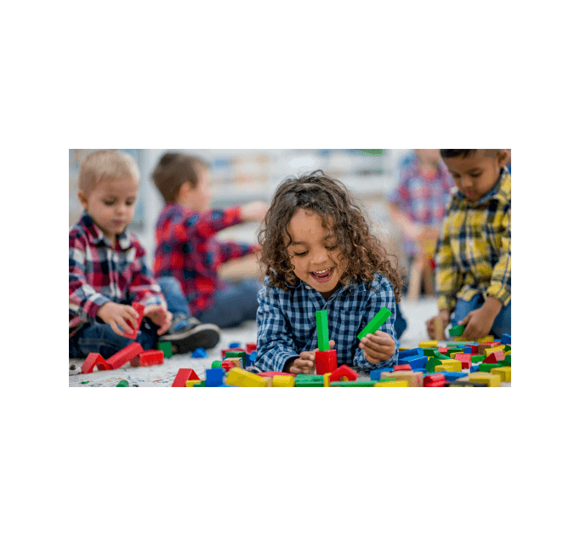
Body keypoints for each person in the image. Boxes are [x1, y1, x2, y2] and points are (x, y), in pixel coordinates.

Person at [67, 150, 220, 360]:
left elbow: (143, 283)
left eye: (129, 202)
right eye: (110, 202)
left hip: (124, 318)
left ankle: (177, 324)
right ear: (85, 200)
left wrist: (152, 306)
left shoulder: (132, 244)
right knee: (120, 340)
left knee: (167, 284)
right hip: (81, 329)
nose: (121, 210)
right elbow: (71, 285)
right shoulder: (75, 239)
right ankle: (161, 340)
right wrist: (103, 307)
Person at [255, 170, 404, 374]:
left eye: (332, 245)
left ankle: (400, 321)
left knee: (397, 326)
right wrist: (290, 363)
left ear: (350, 238)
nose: (319, 259)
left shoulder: (375, 287)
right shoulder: (276, 287)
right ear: (283, 253)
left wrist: (380, 353)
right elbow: (268, 347)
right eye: (301, 252)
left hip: (367, 293)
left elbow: (372, 363)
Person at [152, 153, 268, 329]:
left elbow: (220, 249)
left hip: (209, 299)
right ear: (185, 191)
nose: (211, 192)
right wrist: (241, 213)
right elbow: (201, 223)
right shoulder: (172, 218)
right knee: (253, 291)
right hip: (195, 309)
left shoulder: (191, 228)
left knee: (247, 285)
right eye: (208, 185)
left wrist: (257, 249)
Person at [426, 148, 513, 341]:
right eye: (456, 175)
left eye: (475, 174)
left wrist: (490, 309)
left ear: (500, 159)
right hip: (475, 288)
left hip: (508, 290)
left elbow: (510, 257)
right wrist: (444, 311)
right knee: (460, 325)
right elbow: (446, 260)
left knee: (505, 322)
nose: (465, 184)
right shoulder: (455, 201)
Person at [388, 148, 455, 298]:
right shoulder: (407, 172)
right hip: (417, 244)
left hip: (444, 244)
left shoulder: (447, 173)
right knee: (417, 276)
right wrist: (410, 229)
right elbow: (392, 206)